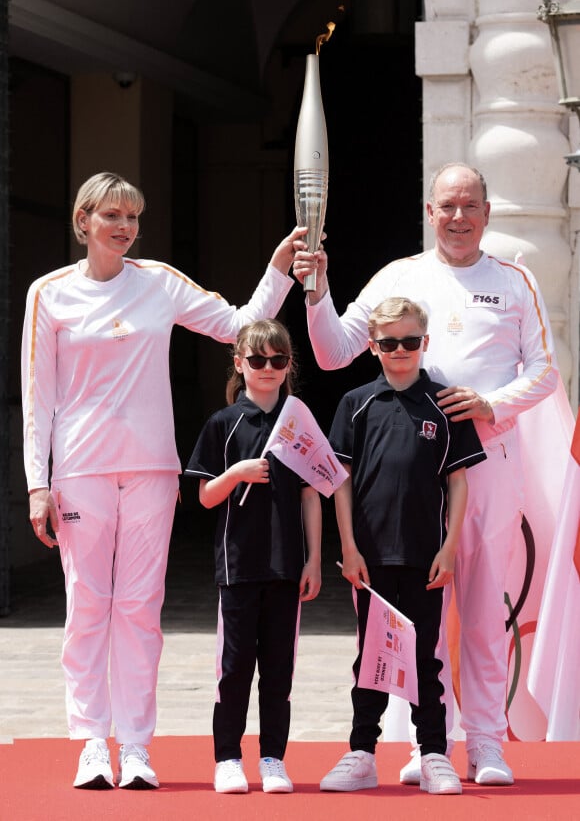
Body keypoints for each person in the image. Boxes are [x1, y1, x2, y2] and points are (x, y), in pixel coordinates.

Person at [21, 172, 303, 791]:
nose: (124, 228)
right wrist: (37, 484)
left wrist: (278, 271)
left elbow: (238, 325)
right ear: (83, 221)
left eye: (133, 217)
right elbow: (37, 394)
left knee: (141, 610)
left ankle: (138, 746)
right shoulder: (50, 294)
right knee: (89, 606)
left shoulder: (160, 284)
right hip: (80, 467)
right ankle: (93, 741)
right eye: (112, 216)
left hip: (152, 466)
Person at [293, 163, 559, 786]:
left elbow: (544, 370)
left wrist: (494, 404)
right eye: (447, 206)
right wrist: (316, 291)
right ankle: (425, 744)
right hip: (409, 475)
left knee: (483, 611)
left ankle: (488, 743)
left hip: (485, 463)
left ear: (486, 213)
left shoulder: (515, 281)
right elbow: (334, 352)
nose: (458, 217)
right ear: (430, 211)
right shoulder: (400, 276)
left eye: (470, 206)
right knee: (416, 614)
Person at [320, 297, 485, 795]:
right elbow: (340, 481)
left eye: (410, 342)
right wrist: (348, 546)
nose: (400, 351)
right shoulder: (357, 403)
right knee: (370, 655)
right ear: (373, 347)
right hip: (370, 558)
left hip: (424, 555)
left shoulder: (445, 403)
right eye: (389, 343)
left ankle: (434, 752)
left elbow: (458, 482)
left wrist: (450, 547)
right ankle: (361, 752)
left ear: (424, 344)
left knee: (424, 659)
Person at [184, 319, 322, 794]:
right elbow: (203, 496)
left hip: (287, 568)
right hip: (238, 567)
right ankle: (227, 757)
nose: (267, 368)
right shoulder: (223, 424)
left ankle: (273, 758)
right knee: (236, 666)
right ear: (240, 363)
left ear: (288, 367)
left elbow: (312, 493)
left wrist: (315, 559)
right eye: (257, 359)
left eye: (277, 360)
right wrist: (238, 472)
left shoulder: (298, 420)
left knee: (278, 671)